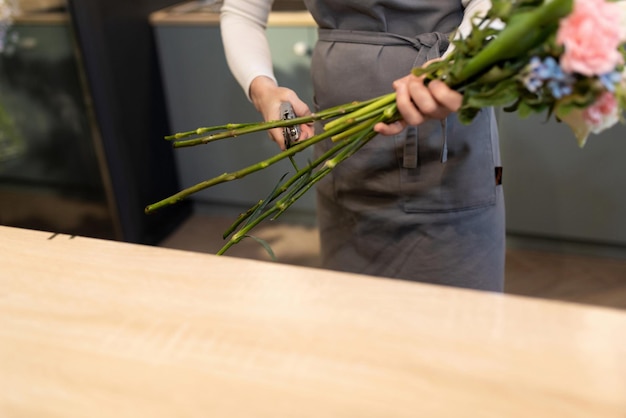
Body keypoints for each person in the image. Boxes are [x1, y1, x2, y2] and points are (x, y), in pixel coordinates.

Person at [220, 0, 505, 292]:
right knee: (350, 311)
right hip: (341, 163)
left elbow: (491, 5)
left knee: (454, 317)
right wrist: (262, 89)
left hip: (443, 146)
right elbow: (243, 12)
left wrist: (453, 69)